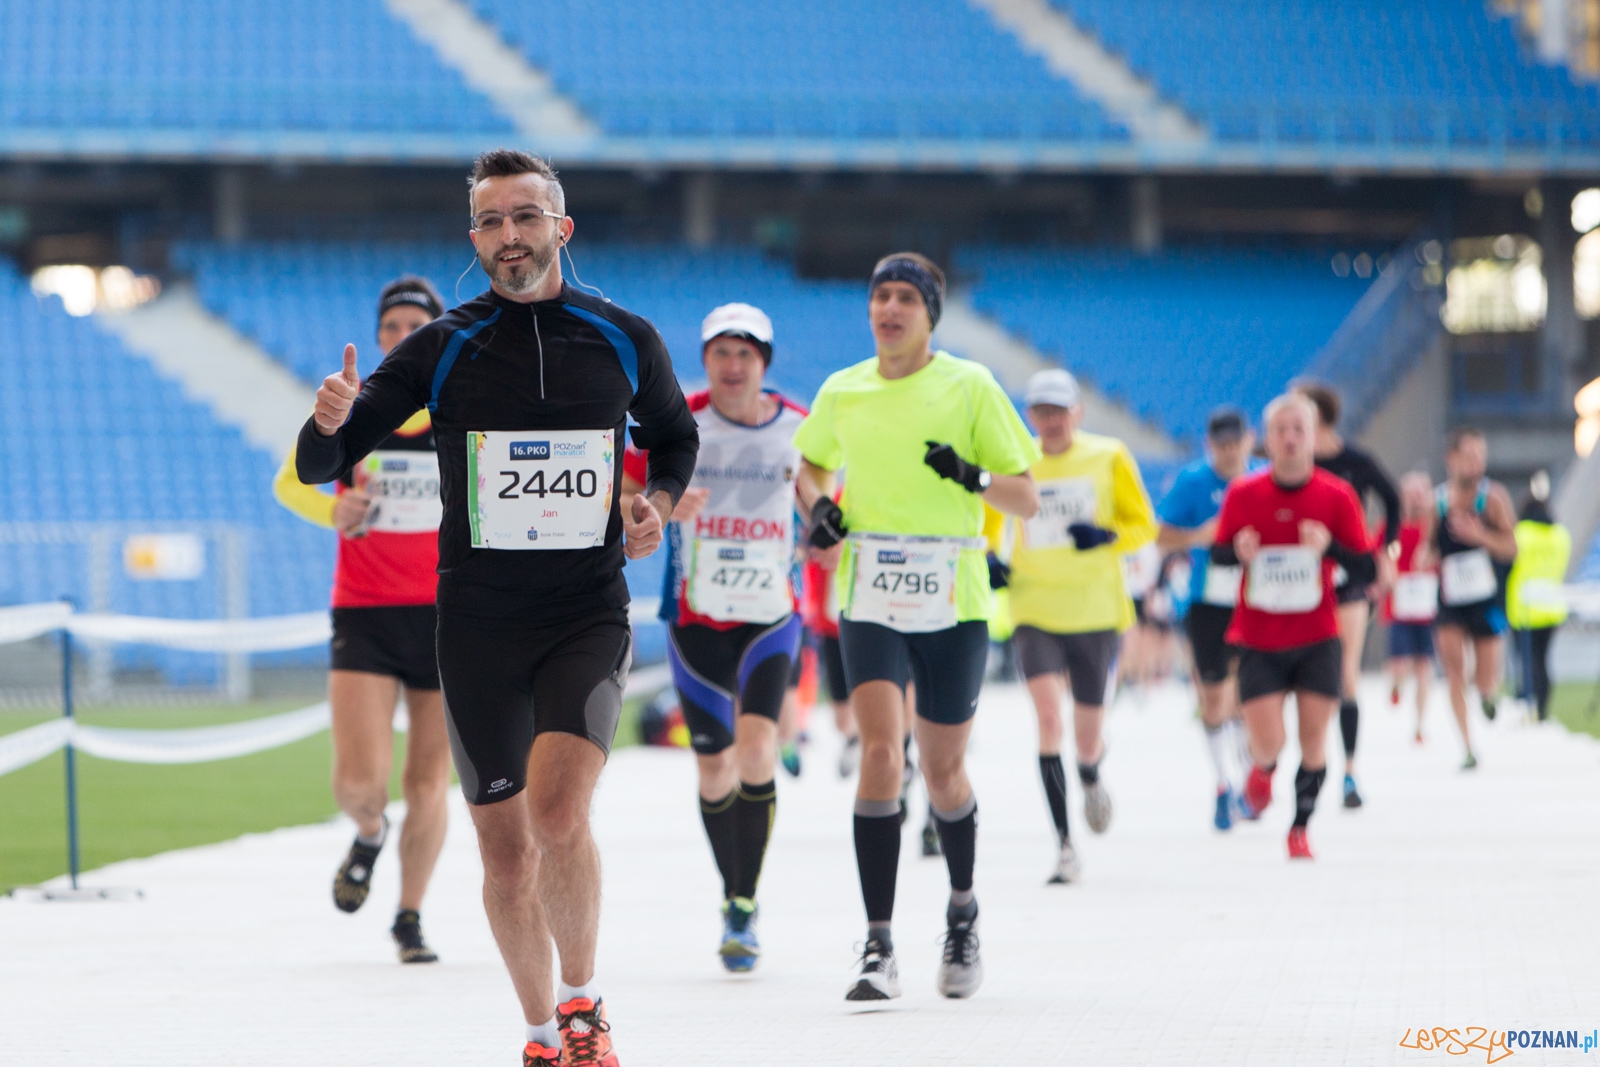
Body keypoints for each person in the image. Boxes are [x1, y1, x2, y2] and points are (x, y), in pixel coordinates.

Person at [296, 149, 698, 1067]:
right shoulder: (441, 346)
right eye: (490, 221)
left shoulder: (624, 335)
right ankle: (536, 1035)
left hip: (585, 616)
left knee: (560, 815)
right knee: (507, 853)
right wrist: (327, 421)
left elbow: (674, 436)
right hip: (476, 627)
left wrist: (656, 507)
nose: (508, 236)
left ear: (562, 227)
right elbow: (327, 463)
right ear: (473, 238)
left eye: (525, 216)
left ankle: (583, 1005)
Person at [793, 252, 1040, 1001]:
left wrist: (969, 476)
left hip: (953, 601)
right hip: (870, 593)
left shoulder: (970, 385)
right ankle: (879, 944)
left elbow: (1026, 497)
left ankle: (962, 911)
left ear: (931, 312)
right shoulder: (844, 389)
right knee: (878, 754)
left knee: (941, 771)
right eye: (880, 297)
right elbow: (806, 469)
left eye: (906, 297)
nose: (890, 309)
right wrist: (820, 510)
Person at [619, 302, 805, 974]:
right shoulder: (676, 423)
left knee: (757, 747)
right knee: (714, 765)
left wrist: (829, 530)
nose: (732, 367)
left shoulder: (799, 426)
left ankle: (742, 902)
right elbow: (623, 496)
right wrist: (661, 504)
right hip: (695, 619)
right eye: (721, 354)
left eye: (745, 355)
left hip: (771, 617)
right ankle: (732, 888)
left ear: (764, 364)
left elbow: (821, 500)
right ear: (705, 362)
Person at [272, 276, 451, 964]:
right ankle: (370, 833)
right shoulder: (355, 409)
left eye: (417, 325)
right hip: (367, 611)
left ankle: (410, 915)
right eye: (393, 325)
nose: (403, 335)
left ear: (436, 335)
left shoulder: (461, 411)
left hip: (444, 616)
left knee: (429, 780)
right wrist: (333, 510)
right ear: (379, 337)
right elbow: (291, 481)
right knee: (357, 782)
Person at [990, 368, 1156, 884]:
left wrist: (1107, 536)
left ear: (1078, 413)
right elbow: (986, 527)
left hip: (1095, 611)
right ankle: (1064, 846)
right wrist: (989, 564)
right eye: (1041, 411)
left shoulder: (1108, 457)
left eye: (1060, 410)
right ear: (1029, 416)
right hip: (1034, 609)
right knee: (1048, 722)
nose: (1051, 420)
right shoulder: (1014, 462)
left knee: (1086, 738)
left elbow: (1143, 525)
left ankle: (1089, 772)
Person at [1212, 394, 1376, 860]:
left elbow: (1365, 570)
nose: (1289, 439)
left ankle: (1299, 828)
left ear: (1313, 438)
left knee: (1313, 741)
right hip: (1260, 637)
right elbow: (1218, 556)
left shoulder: (1336, 495)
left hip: (1317, 636)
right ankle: (1262, 769)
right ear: (1266, 440)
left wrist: (1329, 550)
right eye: (1280, 431)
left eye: (1298, 430)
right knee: (1268, 742)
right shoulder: (1243, 494)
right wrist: (1237, 552)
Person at [1295, 381, 1400, 811]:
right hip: (1301, 581)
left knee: (1346, 672)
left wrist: (1386, 552)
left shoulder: (1356, 462)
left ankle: (1350, 772)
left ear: (1316, 417)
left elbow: (1392, 502)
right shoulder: (1293, 465)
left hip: (1349, 578)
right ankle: (1302, 757)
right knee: (1302, 674)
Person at [1156, 406, 1259, 830]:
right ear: (1209, 445)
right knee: (1214, 696)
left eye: (1236, 444)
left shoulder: (1261, 478)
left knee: (1251, 692)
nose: (1230, 452)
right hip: (1208, 600)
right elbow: (1160, 537)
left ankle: (1246, 774)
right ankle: (1222, 784)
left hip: (1256, 598)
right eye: (1222, 446)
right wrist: (1203, 534)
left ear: (1248, 441)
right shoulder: (1194, 482)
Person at [1433, 427, 1518, 770]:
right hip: (1450, 600)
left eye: (1480, 457)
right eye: (1469, 457)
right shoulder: (1435, 502)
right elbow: (1425, 549)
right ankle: (1467, 747)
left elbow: (1511, 549)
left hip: (1485, 600)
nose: (1476, 464)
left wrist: (1480, 535)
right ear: (1450, 459)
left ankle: (1486, 695)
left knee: (1485, 677)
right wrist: (1425, 559)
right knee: (1454, 671)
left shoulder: (1493, 499)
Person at [1506, 471, 1570, 722]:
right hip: (1552, 607)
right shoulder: (1560, 536)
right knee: (1543, 662)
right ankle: (1541, 710)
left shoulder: (1520, 534)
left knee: (1527, 662)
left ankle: (1529, 707)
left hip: (1523, 608)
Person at [1384, 472, 1440, 744]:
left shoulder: (1434, 527)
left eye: (1422, 493)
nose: (1417, 499)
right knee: (1400, 664)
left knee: (1424, 667)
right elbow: (1380, 553)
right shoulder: (1392, 525)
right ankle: (1395, 684)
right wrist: (1390, 573)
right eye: (1413, 493)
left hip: (1426, 608)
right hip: (1400, 607)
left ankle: (1419, 725)